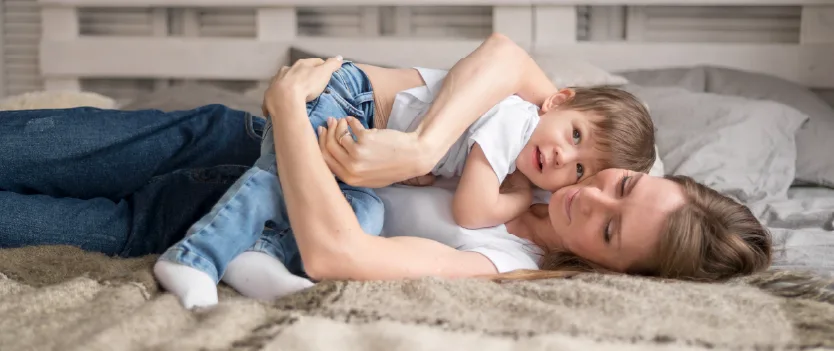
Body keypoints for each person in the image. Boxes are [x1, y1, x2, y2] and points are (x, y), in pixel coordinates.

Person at [153, 34, 656, 308]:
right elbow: (473, 207)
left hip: (332, 173)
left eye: (582, 168)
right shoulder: (519, 120)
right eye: (573, 138)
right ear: (557, 99)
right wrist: (517, 190)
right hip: (347, 100)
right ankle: (197, 255)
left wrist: (428, 171)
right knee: (283, 174)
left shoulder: (544, 202)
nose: (566, 162)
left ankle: (253, 253)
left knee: (364, 211)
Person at [246, 56, 772, 288]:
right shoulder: (554, 159)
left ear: (615, 271)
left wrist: (290, 106)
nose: (593, 197)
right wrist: (423, 151)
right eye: (624, 186)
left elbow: (334, 254)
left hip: (236, 192)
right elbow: (508, 58)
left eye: (610, 230)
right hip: (234, 134)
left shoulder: (504, 261)